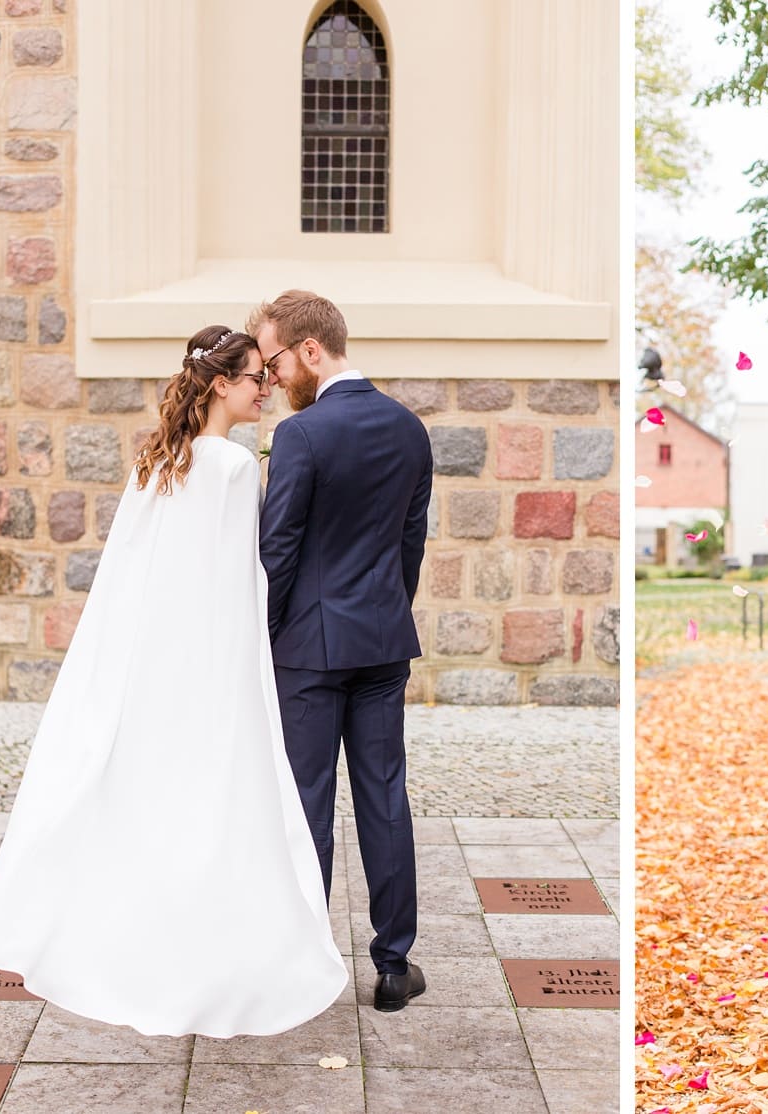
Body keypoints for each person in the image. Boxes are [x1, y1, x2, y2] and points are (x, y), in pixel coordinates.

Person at [0, 326, 349, 1038]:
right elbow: (240, 581)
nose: (266, 388)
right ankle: (210, 955)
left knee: (157, 798)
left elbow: (130, 579)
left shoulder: (158, 460)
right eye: (257, 377)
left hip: (153, 660)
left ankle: (139, 937)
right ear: (223, 384)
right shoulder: (231, 467)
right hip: (213, 659)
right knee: (220, 802)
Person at [249, 290, 433, 1012]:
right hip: (384, 640)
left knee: (307, 801)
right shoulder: (409, 428)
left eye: (274, 360)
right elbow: (409, 546)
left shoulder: (303, 434)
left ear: (310, 350)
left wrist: (263, 639)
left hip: (310, 650)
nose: (272, 377)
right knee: (385, 795)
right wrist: (385, 612)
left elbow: (279, 548)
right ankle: (394, 966)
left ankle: (307, 959)